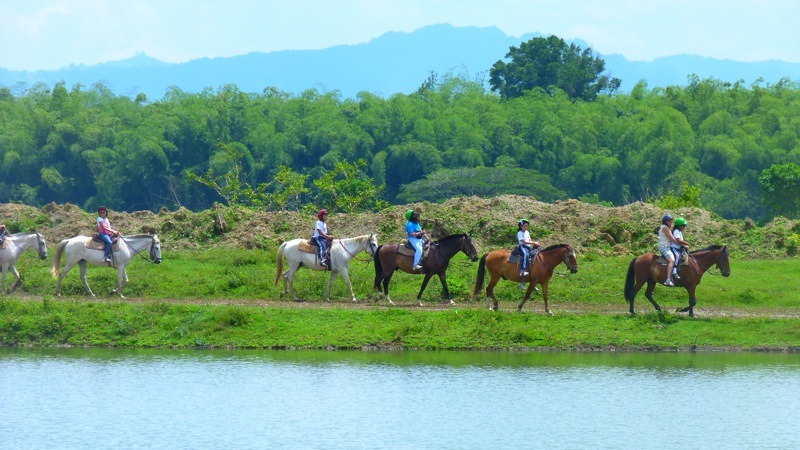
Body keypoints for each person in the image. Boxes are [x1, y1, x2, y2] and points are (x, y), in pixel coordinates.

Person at [657, 214, 687, 286]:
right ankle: (668, 279)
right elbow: (673, 239)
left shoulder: (666, 228)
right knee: (672, 260)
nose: (671, 222)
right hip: (664, 247)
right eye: (669, 221)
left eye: (671, 220)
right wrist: (683, 244)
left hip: (667, 247)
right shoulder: (665, 228)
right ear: (665, 221)